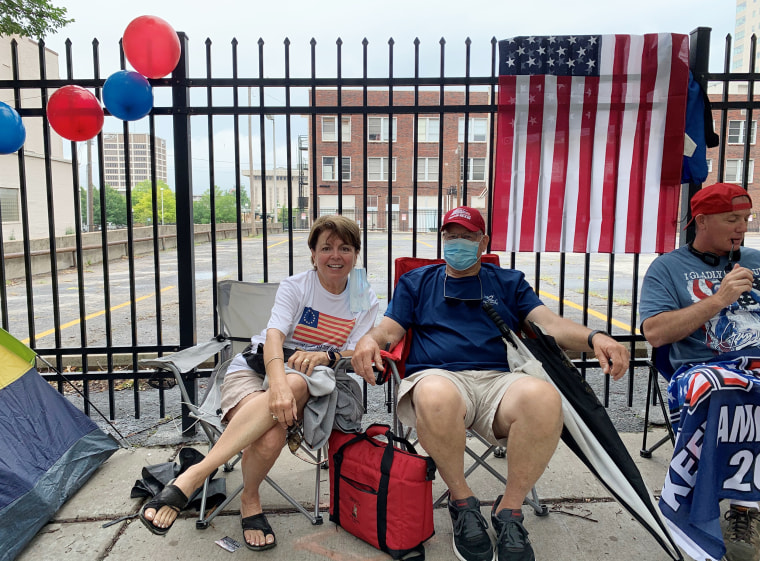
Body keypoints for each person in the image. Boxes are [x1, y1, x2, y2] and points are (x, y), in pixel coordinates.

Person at [351, 206, 629, 561]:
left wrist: (596, 337)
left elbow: (550, 325)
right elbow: (390, 329)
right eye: (451, 236)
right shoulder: (417, 282)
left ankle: (509, 511)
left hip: (500, 382)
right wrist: (369, 340)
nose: (457, 243)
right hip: (438, 377)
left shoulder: (508, 282)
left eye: (467, 237)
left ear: (483, 242)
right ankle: (463, 502)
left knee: (544, 398)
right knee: (436, 394)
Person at [139, 215, 379, 551]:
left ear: (356, 254)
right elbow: (274, 337)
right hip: (257, 368)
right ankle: (247, 501)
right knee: (271, 431)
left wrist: (325, 356)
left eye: (345, 248)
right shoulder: (299, 286)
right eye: (326, 248)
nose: (335, 256)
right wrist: (278, 385)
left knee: (292, 395)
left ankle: (192, 479)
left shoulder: (359, 292)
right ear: (313, 254)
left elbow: (355, 348)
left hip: (314, 380)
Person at [640, 182, 760, 561]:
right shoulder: (669, 267)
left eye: (745, 219)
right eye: (731, 219)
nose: (741, 228)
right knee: (722, 388)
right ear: (702, 221)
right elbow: (656, 333)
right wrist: (719, 299)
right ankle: (733, 510)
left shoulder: (756, 260)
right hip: (702, 369)